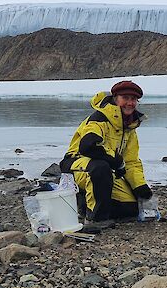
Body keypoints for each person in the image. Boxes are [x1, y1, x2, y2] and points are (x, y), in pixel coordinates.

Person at [59, 80, 153, 228]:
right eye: (125, 98)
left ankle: (83, 202)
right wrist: (115, 159)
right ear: (116, 99)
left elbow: (131, 162)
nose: (130, 103)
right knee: (100, 167)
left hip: (104, 169)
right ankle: (94, 218)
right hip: (76, 165)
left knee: (131, 209)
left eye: (133, 99)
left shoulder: (129, 128)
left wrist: (140, 186)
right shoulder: (99, 119)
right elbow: (88, 146)